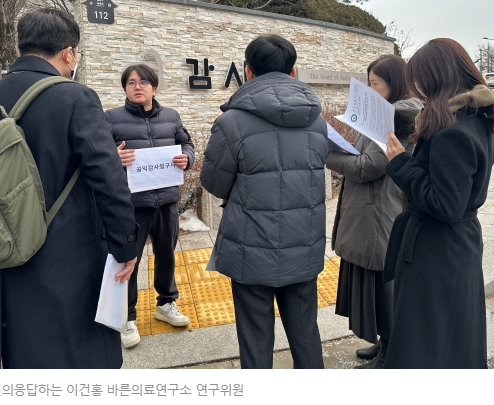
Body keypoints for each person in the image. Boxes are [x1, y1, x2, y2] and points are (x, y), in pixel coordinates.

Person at [0, 8, 138, 369]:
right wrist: (125, 246)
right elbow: (108, 180)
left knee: (23, 352)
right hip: (66, 255)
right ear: (69, 53)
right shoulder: (75, 97)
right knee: (79, 355)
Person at [200, 34, 329, 369]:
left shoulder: (230, 122)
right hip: (304, 244)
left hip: (250, 247)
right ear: (293, 71)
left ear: (248, 71)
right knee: (306, 334)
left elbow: (214, 182)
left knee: (255, 340)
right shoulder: (317, 121)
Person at [383, 38, 494, 368]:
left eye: (418, 79)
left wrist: (400, 162)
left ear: (436, 77)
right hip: (456, 249)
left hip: (436, 253)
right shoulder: (476, 117)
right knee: (454, 340)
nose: (415, 88)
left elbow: (445, 205)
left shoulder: (453, 130)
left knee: (427, 344)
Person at [326, 54, 422, 369]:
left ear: (394, 83)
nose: (370, 90)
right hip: (372, 211)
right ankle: (384, 344)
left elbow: (368, 167)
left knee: (384, 288)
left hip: (380, 214)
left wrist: (328, 154)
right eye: (368, 83)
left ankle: (390, 353)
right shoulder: (386, 114)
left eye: (375, 84)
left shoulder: (396, 119)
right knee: (377, 285)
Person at [105, 64, 195, 348]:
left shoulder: (171, 117)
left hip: (167, 201)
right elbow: (99, 156)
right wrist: (114, 158)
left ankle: (166, 303)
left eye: (144, 82)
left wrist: (187, 159)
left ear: (154, 88)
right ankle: (127, 316)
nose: (138, 87)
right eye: (131, 82)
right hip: (132, 204)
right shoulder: (111, 119)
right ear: (125, 88)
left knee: (167, 255)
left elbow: (187, 144)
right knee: (127, 260)